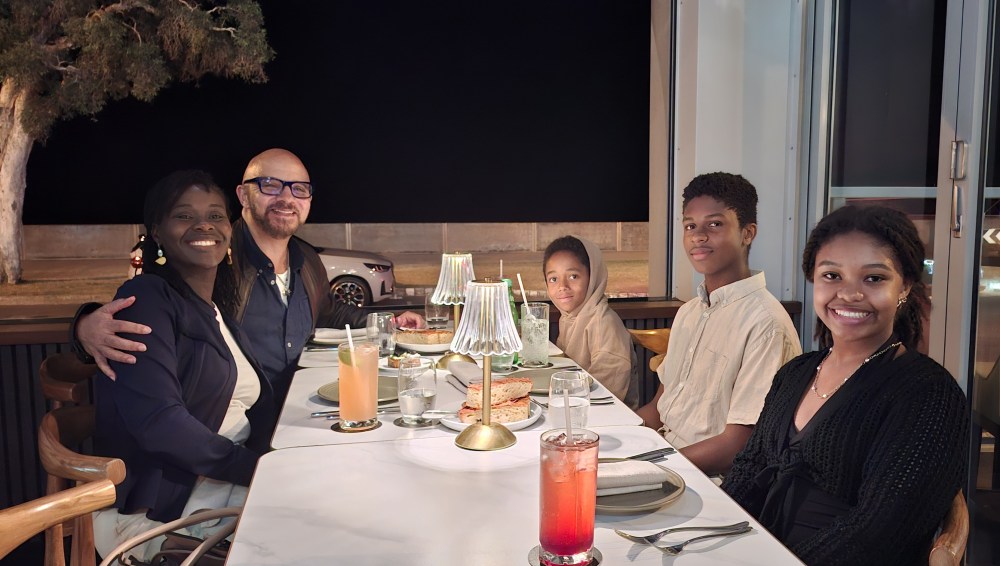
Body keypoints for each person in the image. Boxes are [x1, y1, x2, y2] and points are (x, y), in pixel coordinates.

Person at [73, 149, 424, 412]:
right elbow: (155, 303)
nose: (286, 198)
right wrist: (84, 327)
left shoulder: (307, 260)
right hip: (239, 424)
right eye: (271, 185)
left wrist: (390, 321)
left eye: (299, 189)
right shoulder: (212, 257)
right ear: (243, 195)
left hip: (306, 407)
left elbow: (330, 313)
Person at [721, 206, 968, 565]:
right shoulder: (795, 373)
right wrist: (713, 535)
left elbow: (877, 535)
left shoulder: (929, 394)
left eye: (874, 278)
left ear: (904, 286)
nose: (849, 294)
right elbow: (747, 471)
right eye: (832, 275)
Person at [92, 170, 267, 561]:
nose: (204, 224)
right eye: (184, 215)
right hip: (166, 511)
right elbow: (159, 424)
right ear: (157, 231)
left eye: (216, 215)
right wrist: (258, 468)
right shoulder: (146, 298)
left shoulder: (215, 309)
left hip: (222, 488)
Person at [635, 172, 801, 476]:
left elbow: (738, 446)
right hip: (667, 457)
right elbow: (659, 408)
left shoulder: (765, 324)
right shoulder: (689, 312)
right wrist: (607, 439)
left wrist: (645, 470)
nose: (698, 236)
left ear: (747, 233)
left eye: (714, 224)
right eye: (690, 226)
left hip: (713, 481)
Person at [544, 235, 638, 406]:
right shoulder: (570, 317)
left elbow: (604, 393)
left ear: (593, 276)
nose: (562, 286)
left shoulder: (603, 323)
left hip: (605, 414)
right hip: (574, 404)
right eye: (553, 279)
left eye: (573, 276)